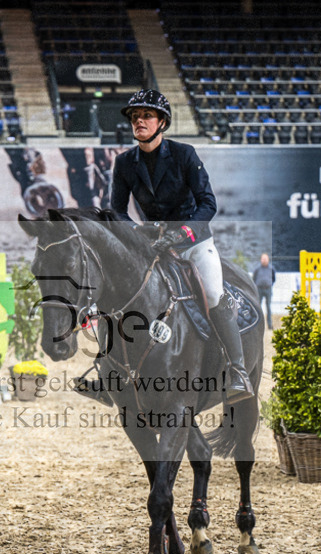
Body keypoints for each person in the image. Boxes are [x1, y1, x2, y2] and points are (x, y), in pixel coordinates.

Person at [110, 88, 253, 403]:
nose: (139, 122)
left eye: (146, 115)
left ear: (162, 122)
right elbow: (117, 211)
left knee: (214, 293)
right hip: (154, 245)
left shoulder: (184, 154)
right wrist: (138, 232)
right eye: (135, 117)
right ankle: (114, 369)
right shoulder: (124, 163)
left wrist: (186, 232)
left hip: (194, 243)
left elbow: (208, 203)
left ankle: (237, 370)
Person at [252, 253, 276, 329]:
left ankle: (269, 325)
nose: (264, 260)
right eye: (263, 259)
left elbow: (273, 278)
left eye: (265, 259)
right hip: (259, 289)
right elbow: (254, 278)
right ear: (260, 260)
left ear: (268, 260)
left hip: (268, 289)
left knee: (268, 307)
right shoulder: (257, 269)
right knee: (258, 307)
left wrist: (270, 284)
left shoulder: (271, 268)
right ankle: (258, 325)